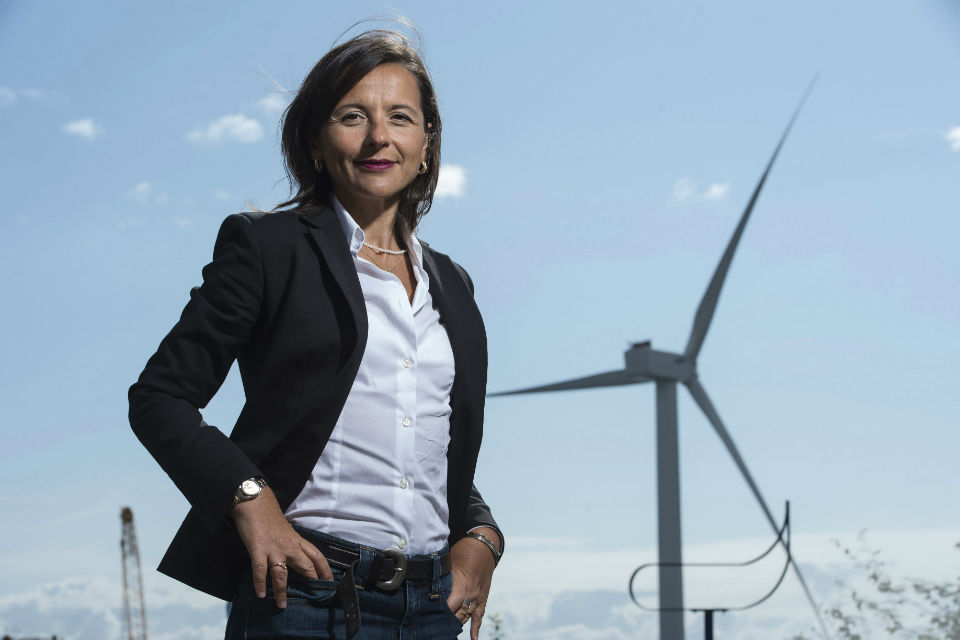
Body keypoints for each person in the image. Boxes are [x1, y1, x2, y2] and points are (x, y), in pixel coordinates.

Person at [129, 29, 502, 640]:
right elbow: (159, 398)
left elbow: (418, 436)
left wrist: (483, 535)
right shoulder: (266, 248)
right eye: (352, 116)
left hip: (431, 608)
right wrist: (249, 498)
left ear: (426, 146)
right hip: (306, 596)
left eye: (400, 118)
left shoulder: (453, 285)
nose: (379, 137)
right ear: (315, 142)